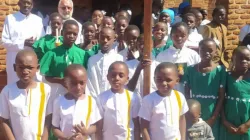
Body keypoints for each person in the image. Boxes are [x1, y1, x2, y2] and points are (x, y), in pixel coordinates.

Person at [0, 50, 52, 140]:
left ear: (37, 68)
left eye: (30, 67)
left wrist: (45, 138)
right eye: (21, 67)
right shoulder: (7, 91)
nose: (25, 71)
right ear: (14, 67)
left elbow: (48, 117)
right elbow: (4, 120)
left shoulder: (45, 89)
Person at [184, 39, 226, 139]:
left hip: (213, 115)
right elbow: (187, 95)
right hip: (194, 117)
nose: (206, 53)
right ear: (199, 50)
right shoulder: (190, 70)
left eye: (210, 50)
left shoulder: (220, 71)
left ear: (216, 51)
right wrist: (191, 115)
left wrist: (213, 118)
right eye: (203, 49)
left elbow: (221, 97)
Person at [139, 62, 189, 140]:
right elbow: (144, 127)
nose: (164, 83)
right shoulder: (149, 100)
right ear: (154, 79)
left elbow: (182, 120)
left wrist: (183, 138)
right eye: (159, 80)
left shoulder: (180, 97)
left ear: (177, 80)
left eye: (168, 80)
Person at [52, 64, 101, 140]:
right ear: (65, 82)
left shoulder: (91, 101)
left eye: (82, 83)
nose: (78, 87)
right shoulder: (59, 101)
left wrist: (86, 132)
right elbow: (55, 128)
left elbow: (95, 125)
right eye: (74, 83)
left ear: (86, 81)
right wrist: (67, 138)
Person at [2, 0, 45, 84]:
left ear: (32, 5)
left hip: (32, 59)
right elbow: (4, 41)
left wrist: (35, 43)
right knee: (14, 86)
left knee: (33, 87)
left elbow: (42, 40)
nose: (26, 5)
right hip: (14, 59)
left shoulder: (38, 20)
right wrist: (23, 43)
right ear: (19, 4)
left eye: (28, 3)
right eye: (23, 2)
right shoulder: (10, 19)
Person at [97, 61, 141, 140]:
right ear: (108, 77)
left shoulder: (133, 97)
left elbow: (137, 125)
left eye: (121, 76)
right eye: (113, 75)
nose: (117, 78)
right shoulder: (101, 98)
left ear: (127, 79)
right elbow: (99, 126)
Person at [40, 20, 88, 88]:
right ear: (62, 32)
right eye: (69, 33)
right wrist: (60, 81)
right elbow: (43, 76)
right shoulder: (51, 54)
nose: (71, 36)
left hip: (77, 92)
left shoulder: (83, 54)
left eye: (75, 34)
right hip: (56, 92)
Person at [156, 22, 200, 93]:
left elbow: (197, 74)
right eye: (176, 35)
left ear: (187, 36)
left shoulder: (193, 55)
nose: (179, 38)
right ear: (171, 36)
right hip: (168, 93)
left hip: (188, 93)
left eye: (183, 35)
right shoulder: (162, 55)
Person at [220, 46, 250, 140]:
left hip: (247, 121)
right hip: (229, 121)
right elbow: (221, 99)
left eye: (247, 59)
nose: (244, 61)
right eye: (240, 58)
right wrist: (224, 121)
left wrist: (247, 125)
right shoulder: (226, 76)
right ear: (233, 59)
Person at [87, 27, 123, 98]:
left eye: (108, 38)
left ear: (114, 39)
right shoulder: (92, 60)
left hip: (113, 98)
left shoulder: (119, 59)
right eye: (102, 38)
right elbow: (89, 83)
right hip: (95, 100)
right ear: (98, 38)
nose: (105, 41)